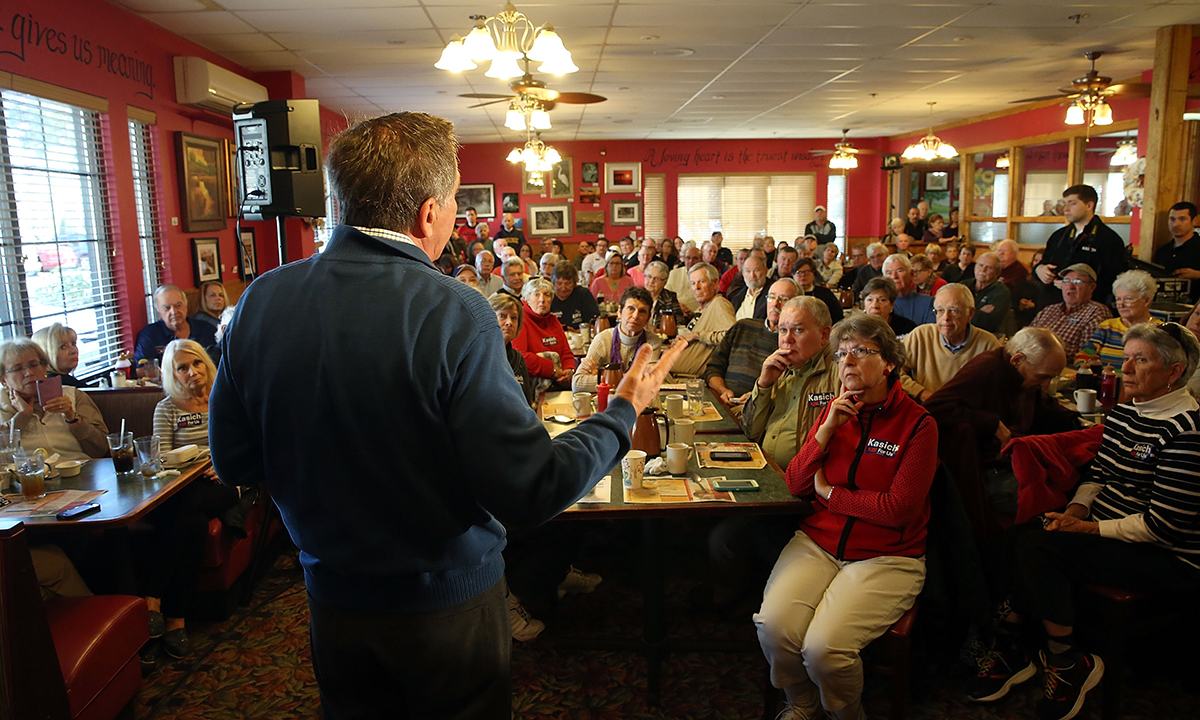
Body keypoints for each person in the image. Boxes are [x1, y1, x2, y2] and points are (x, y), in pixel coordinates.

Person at [209, 111, 686, 719]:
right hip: (443, 609)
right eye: (456, 201)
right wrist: (622, 413)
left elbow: (234, 461)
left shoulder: (261, 300)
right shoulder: (454, 309)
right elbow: (532, 489)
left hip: (332, 603)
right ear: (429, 213)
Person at [970, 323, 1200, 720]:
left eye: (1140, 360)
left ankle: (1063, 662)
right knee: (1017, 537)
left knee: (1039, 548)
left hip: (1168, 555)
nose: (1125, 368)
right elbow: (1098, 476)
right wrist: (1075, 511)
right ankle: (1017, 646)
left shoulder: (1187, 430)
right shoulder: (1127, 412)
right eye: (1126, 357)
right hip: (1110, 530)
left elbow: (1163, 525)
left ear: (1174, 372)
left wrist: (1086, 528)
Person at [756, 313, 936, 720]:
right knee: (774, 627)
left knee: (824, 649)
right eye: (841, 354)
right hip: (819, 543)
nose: (847, 361)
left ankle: (845, 714)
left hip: (887, 556)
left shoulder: (919, 425)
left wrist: (831, 494)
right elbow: (796, 483)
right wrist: (824, 432)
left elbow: (898, 510)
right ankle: (802, 703)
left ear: (888, 363)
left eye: (860, 351)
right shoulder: (835, 411)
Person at [742, 295, 839, 469]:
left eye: (798, 330)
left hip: (807, 478)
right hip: (765, 468)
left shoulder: (840, 371)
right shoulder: (778, 367)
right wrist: (763, 385)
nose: (787, 339)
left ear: (824, 335)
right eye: (782, 330)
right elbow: (750, 432)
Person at [0, 338, 108, 462]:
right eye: (18, 368)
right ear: (3, 380)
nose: (28, 372)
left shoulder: (72, 395)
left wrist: (73, 418)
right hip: (29, 473)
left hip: (79, 468)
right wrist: (23, 416)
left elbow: (101, 448)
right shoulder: (2, 406)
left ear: (44, 369)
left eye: (33, 365)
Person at [706, 278, 800, 408]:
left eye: (784, 299)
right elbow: (713, 368)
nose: (775, 304)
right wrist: (723, 390)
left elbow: (791, 388)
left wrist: (758, 395)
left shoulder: (793, 342)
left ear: (798, 306)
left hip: (758, 407)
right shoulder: (742, 326)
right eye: (771, 297)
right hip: (721, 399)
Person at [899, 284, 1001, 402]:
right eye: (940, 311)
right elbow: (893, 368)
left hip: (969, 409)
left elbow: (999, 387)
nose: (946, 317)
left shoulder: (988, 344)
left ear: (970, 313)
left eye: (954, 311)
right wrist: (921, 393)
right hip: (926, 407)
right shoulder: (921, 335)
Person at [1034, 184, 1127, 309]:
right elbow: (1044, 263)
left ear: (1089, 205)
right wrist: (1039, 269)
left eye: (1072, 204)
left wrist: (1073, 285)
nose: (1066, 209)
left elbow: (1112, 280)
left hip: (1088, 308)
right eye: (1064, 204)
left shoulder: (1109, 239)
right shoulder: (1059, 236)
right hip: (1052, 303)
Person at [572, 286, 664, 393]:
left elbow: (650, 381)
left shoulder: (652, 342)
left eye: (642, 311)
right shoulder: (603, 340)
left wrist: (603, 376)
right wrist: (629, 378)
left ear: (648, 319)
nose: (635, 316)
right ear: (619, 312)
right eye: (631, 309)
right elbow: (577, 383)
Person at [1075, 269, 1160, 368]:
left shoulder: (1159, 331)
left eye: (1128, 299)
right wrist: (1086, 368)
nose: (1121, 305)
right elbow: (1083, 356)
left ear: (1146, 301)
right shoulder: (1107, 327)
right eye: (1118, 299)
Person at [1029, 263, 1112, 358]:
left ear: (1091, 287)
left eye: (1077, 281)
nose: (1070, 286)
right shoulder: (1049, 310)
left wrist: (1044, 350)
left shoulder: (1096, 312)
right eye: (1067, 281)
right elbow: (1027, 337)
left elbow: (1087, 354)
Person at [673, 262, 737, 377]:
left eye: (701, 281)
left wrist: (697, 335)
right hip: (675, 374)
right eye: (693, 283)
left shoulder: (719, 304)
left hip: (689, 379)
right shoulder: (701, 309)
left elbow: (731, 337)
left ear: (715, 283)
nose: (696, 287)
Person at [134, 285, 218, 371]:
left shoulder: (207, 329)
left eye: (178, 305)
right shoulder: (150, 334)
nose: (173, 312)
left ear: (186, 305)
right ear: (158, 310)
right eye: (167, 308)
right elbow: (141, 370)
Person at [513, 278, 575, 391]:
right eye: (536, 295)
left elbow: (566, 353)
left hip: (558, 383)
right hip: (531, 388)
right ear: (526, 299)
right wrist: (552, 370)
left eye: (547, 295)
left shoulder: (553, 320)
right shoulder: (520, 320)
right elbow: (520, 357)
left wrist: (569, 370)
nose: (542, 300)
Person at [489, 293, 535, 407]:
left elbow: (527, 403)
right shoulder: (477, 357)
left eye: (514, 318)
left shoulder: (518, 358)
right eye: (502, 316)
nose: (509, 322)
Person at [1154, 201, 1200, 301]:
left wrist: (1197, 274)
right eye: (1172, 219)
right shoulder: (1163, 251)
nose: (1176, 224)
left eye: (1182, 219)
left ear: (1194, 221)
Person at [883, 254, 937, 327]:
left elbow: (930, 332)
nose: (894, 276)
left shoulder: (928, 303)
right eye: (889, 273)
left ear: (911, 274)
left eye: (899, 271)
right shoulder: (877, 305)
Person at [31, 323, 89, 388]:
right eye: (62, 347)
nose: (73, 350)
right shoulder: (61, 385)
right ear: (45, 354)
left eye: (73, 344)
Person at [792, 257, 844, 325]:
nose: (803, 275)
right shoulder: (790, 294)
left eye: (806, 272)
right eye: (798, 272)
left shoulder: (825, 293)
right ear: (793, 276)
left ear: (814, 275)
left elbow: (838, 316)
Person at [971, 251, 1012, 335]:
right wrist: (978, 312)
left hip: (986, 336)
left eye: (989, 267)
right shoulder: (964, 285)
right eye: (980, 265)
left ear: (997, 273)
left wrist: (963, 312)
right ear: (975, 267)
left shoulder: (1001, 292)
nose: (983, 270)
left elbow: (988, 323)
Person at [549, 262, 599, 331]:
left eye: (568, 283)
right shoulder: (547, 296)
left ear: (575, 282)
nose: (563, 288)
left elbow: (595, 324)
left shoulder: (583, 294)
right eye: (559, 283)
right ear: (553, 282)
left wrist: (575, 332)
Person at [643, 261, 681, 335]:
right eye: (649, 277)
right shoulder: (637, 296)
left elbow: (679, 323)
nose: (651, 281)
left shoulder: (669, 298)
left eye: (656, 278)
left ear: (665, 282)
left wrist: (658, 330)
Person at [728, 254, 769, 321]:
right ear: (743, 273)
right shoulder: (737, 296)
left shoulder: (773, 293)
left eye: (757, 270)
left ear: (766, 271)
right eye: (748, 271)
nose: (752, 275)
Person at [666, 243, 702, 313]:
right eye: (688, 258)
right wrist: (678, 306)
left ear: (701, 260)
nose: (691, 261)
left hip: (697, 314)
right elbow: (667, 295)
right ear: (684, 259)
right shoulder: (674, 273)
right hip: (676, 311)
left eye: (695, 258)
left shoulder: (706, 276)